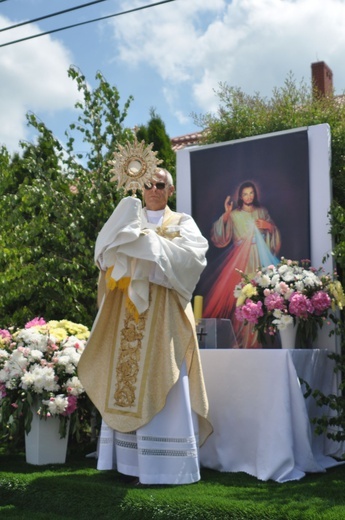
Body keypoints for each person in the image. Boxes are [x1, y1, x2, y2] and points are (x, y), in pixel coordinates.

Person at [78, 167, 212, 485]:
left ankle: (163, 469)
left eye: (160, 185)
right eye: (148, 184)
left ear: (171, 189)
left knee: (166, 376)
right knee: (123, 378)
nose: (154, 189)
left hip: (165, 312)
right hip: (126, 313)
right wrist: (125, 242)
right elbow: (104, 256)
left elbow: (192, 260)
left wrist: (150, 244)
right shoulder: (128, 219)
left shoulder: (183, 223)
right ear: (141, 188)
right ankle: (126, 464)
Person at [203, 181, 281, 348]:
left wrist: (269, 227)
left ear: (255, 194)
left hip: (259, 259)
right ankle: (240, 340)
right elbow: (219, 237)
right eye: (245, 194)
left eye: (251, 193)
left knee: (260, 296)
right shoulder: (234, 215)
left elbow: (273, 237)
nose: (248, 197)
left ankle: (257, 341)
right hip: (240, 261)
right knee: (241, 298)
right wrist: (226, 213)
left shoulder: (262, 212)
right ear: (240, 196)